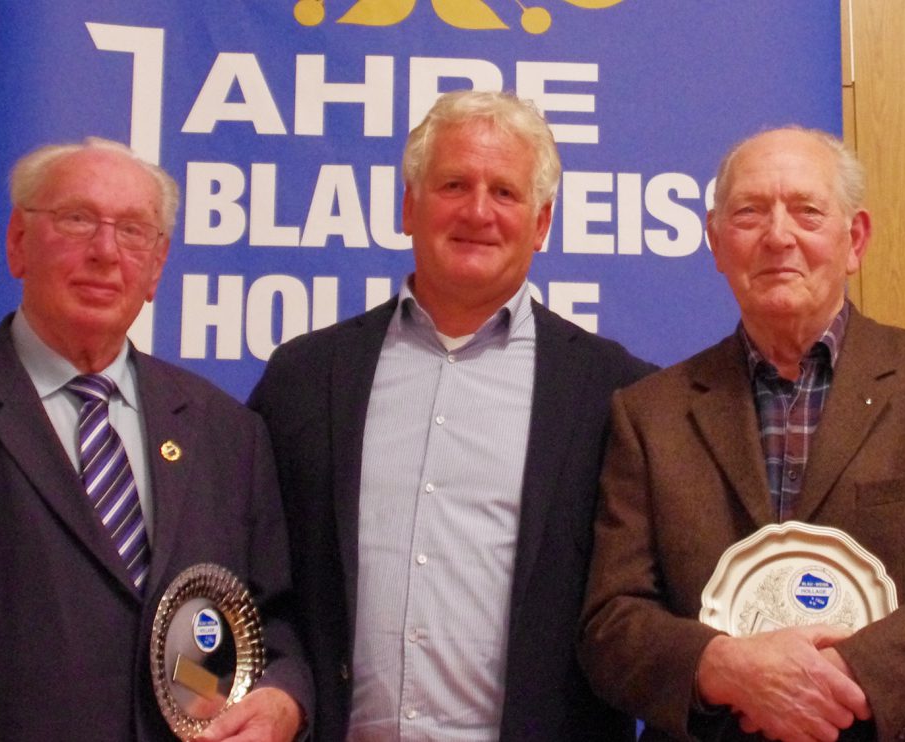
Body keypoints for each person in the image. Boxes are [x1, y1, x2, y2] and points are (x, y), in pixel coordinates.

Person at [0, 137, 311, 741]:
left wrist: (284, 699)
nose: (105, 252)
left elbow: (273, 621)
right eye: (77, 220)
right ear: (18, 243)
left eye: (132, 231)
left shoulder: (228, 433)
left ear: (157, 267)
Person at [579, 126, 905, 741]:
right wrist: (722, 668)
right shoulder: (649, 414)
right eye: (749, 212)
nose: (779, 236)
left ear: (854, 239)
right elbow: (609, 625)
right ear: (716, 241)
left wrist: (832, 676)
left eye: (807, 211)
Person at [248, 90, 652, 741]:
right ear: (409, 206)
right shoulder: (302, 380)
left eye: (505, 192)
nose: (477, 211)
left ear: (542, 222)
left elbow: (641, 615)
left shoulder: (617, 396)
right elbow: (256, 587)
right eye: (454, 184)